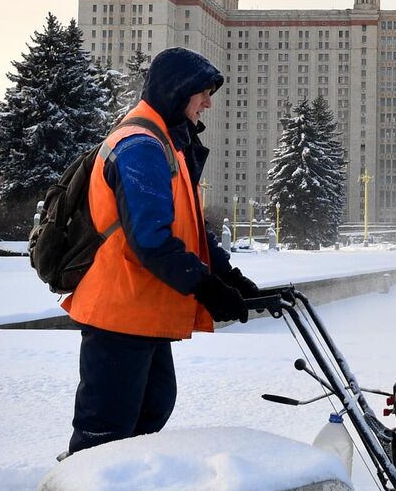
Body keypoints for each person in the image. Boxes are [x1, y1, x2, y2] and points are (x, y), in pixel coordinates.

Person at [64, 47, 261, 456]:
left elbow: (189, 230)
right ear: (177, 91)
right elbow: (150, 239)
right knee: (105, 433)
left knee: (149, 415)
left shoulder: (165, 145)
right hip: (119, 312)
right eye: (202, 93)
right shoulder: (140, 147)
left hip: (142, 312)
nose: (208, 102)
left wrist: (228, 276)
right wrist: (205, 287)